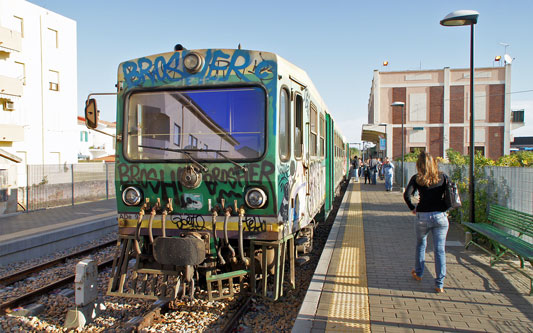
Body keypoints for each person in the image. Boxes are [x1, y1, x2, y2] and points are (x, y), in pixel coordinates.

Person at [403, 152, 449, 293]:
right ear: (434, 163)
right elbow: (451, 196)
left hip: (422, 216)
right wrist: (443, 209)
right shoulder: (443, 177)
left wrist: (413, 208)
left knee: (421, 245)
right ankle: (439, 284)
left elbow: (407, 195)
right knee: (440, 250)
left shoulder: (417, 178)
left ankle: (419, 273)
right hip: (440, 217)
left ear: (419, 165)